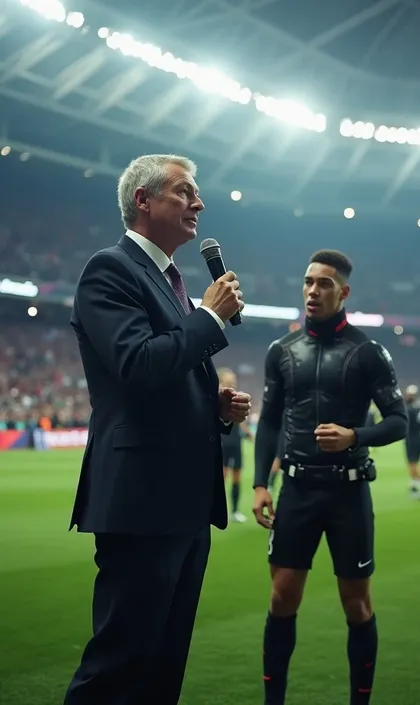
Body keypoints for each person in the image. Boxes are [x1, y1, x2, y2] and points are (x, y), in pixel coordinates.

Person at [63, 153, 251, 705]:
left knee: (163, 666)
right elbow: (137, 365)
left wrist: (212, 406)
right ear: (143, 200)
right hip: (142, 501)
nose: (199, 203)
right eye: (184, 192)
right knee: (119, 666)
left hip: (184, 504)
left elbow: (165, 374)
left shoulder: (170, 281)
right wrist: (210, 318)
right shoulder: (111, 268)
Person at [252, 249, 408, 705]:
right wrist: (262, 483)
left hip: (348, 493)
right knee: (281, 598)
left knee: (357, 605)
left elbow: (398, 421)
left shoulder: (367, 352)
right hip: (296, 490)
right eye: (307, 282)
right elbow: (269, 423)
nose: (312, 291)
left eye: (323, 284)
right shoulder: (281, 352)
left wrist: (354, 435)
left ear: (343, 291)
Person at [218, 367, 254, 522]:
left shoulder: (237, 398)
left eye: (233, 380)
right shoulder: (218, 400)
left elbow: (241, 421)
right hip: (223, 442)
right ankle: (217, 510)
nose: (232, 383)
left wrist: (248, 433)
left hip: (236, 442)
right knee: (222, 477)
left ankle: (235, 511)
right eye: (228, 380)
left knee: (237, 476)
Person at [404, 384, 420, 496]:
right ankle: (414, 484)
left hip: (411, 437)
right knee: (413, 462)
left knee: (413, 462)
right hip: (418, 437)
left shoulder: (410, 409)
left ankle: (419, 485)